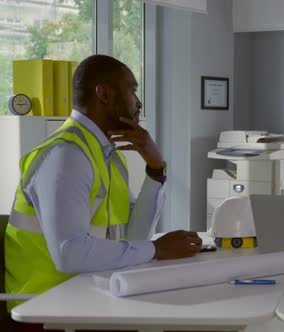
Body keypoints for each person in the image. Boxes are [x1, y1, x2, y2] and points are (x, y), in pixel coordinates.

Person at [5, 55, 201, 330]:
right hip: (46, 310)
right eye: (132, 90)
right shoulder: (67, 155)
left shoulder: (107, 156)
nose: (139, 102)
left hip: (86, 298)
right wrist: (157, 248)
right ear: (104, 93)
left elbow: (134, 236)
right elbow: (70, 254)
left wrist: (155, 169)